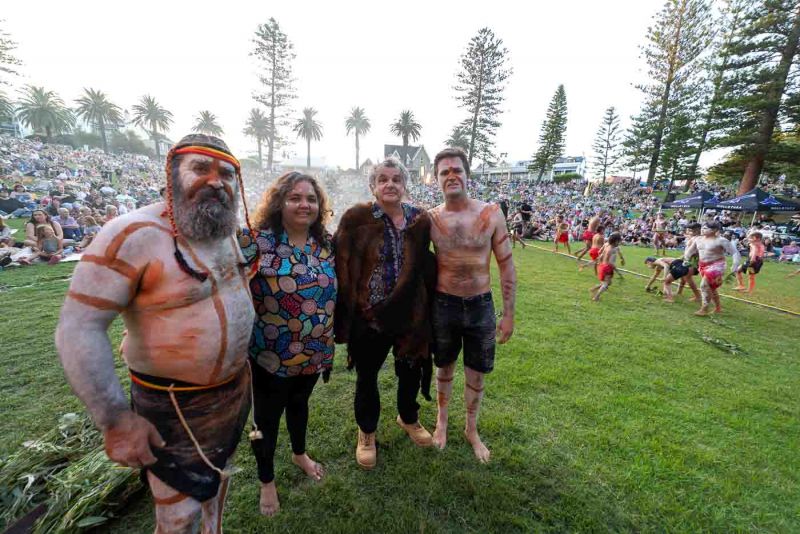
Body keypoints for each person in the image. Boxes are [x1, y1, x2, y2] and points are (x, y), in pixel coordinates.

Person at [55, 134, 256, 534]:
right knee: (178, 515)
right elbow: (79, 327)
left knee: (218, 481)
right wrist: (114, 420)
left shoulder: (222, 227)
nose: (216, 181)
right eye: (201, 168)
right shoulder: (132, 235)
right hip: (171, 404)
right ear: (172, 174)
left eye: (227, 173)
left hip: (231, 393)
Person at [239, 171, 336, 516]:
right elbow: (219, 282)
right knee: (265, 421)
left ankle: (299, 454)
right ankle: (267, 481)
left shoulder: (325, 244)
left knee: (300, 404)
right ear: (279, 202)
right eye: (295, 197)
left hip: (314, 352)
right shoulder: (254, 242)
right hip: (269, 357)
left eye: (311, 199)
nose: (304, 204)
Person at [334, 157, 436, 470]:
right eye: (382, 179)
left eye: (396, 179)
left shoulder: (420, 220)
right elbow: (341, 262)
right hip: (370, 316)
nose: (390, 184)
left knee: (410, 370)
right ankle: (367, 432)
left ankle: (408, 417)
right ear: (373, 186)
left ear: (406, 185)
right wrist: (347, 313)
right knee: (367, 377)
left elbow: (431, 261)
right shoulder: (356, 217)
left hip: (410, 315)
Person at [429, 147, 516, 463]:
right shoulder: (432, 219)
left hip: (480, 305)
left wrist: (508, 314)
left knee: (477, 373)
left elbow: (506, 266)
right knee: (444, 367)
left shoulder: (491, 214)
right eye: (444, 172)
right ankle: (441, 423)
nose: (451, 175)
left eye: (456, 170)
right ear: (437, 179)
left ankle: (470, 428)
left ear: (467, 175)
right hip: (443, 304)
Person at [683, 221, 740, 316]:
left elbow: (734, 252)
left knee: (704, 285)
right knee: (711, 288)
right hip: (702, 265)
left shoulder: (721, 240)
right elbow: (690, 250)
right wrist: (687, 258)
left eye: (706, 228)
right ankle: (718, 307)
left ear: (714, 230)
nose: (702, 229)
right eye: (703, 227)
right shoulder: (699, 239)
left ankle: (704, 309)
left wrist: (735, 264)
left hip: (717, 265)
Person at [590, 232, 624, 302]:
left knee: (608, 282)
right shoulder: (612, 249)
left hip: (603, 266)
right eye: (619, 241)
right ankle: (596, 297)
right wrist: (613, 266)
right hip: (607, 267)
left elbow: (600, 253)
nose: (619, 243)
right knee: (605, 284)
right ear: (616, 241)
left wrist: (600, 261)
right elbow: (609, 261)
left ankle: (594, 289)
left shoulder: (607, 246)